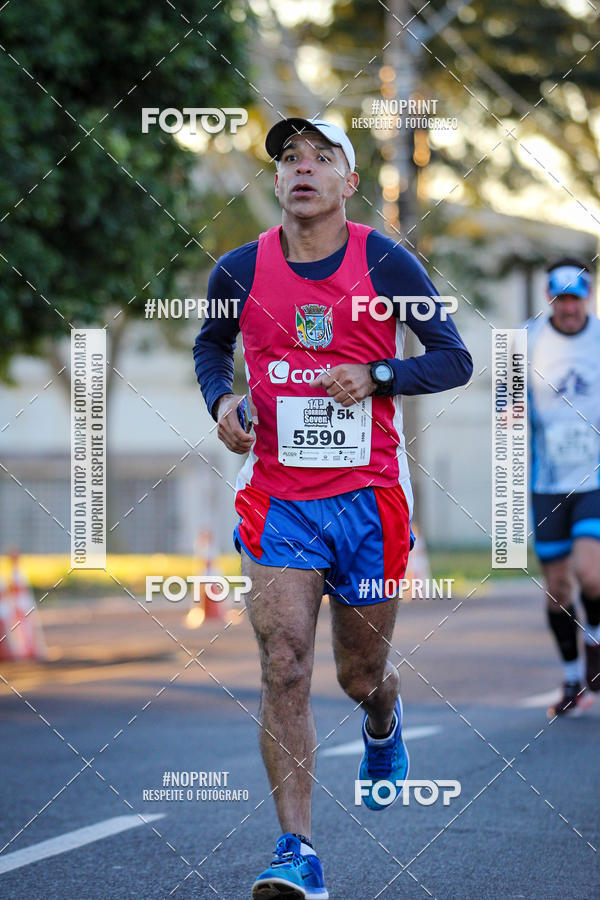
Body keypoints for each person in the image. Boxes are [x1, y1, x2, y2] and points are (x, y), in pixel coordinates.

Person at [194, 116, 473, 899]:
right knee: (284, 665)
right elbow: (211, 347)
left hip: (369, 500)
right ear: (277, 180)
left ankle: (383, 721)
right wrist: (221, 399)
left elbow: (454, 359)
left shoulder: (385, 261)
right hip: (279, 498)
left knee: (359, 674)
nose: (302, 169)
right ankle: (297, 851)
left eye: (321, 158)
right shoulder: (238, 269)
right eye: (289, 159)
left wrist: (380, 375)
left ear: (350, 184)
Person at [525, 257, 600, 718]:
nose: (570, 307)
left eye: (577, 298)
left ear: (587, 297)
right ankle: (574, 677)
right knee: (556, 587)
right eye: (562, 298)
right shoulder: (525, 340)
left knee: (591, 572)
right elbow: (508, 411)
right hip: (546, 480)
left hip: (595, 476)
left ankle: (596, 645)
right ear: (550, 297)